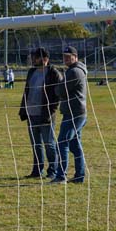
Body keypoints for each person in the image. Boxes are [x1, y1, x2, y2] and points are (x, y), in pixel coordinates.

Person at [19, 47, 63, 179]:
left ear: (44, 59)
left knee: (49, 144)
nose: (32, 59)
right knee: (36, 145)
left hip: (46, 115)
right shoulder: (31, 72)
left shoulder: (53, 73)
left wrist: (50, 112)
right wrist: (24, 109)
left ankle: (53, 171)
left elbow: (58, 95)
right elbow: (27, 91)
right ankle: (37, 170)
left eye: (35, 57)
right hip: (31, 114)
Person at [52, 46, 88, 184]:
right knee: (75, 146)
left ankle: (61, 176)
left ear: (75, 56)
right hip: (76, 113)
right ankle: (80, 175)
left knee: (62, 143)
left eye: (69, 56)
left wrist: (58, 85)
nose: (66, 58)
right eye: (64, 56)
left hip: (74, 114)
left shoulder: (74, 72)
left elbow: (60, 90)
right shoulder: (75, 70)